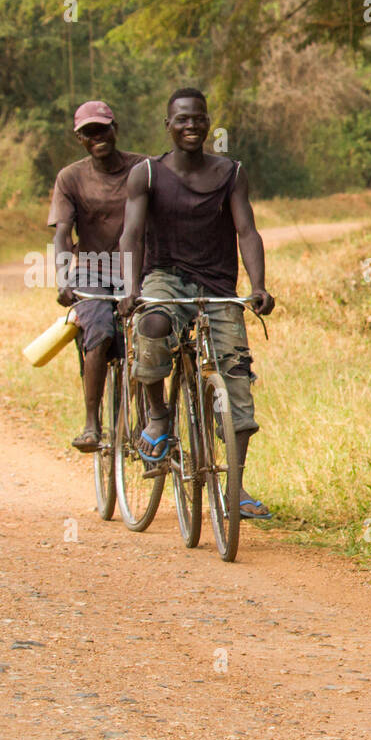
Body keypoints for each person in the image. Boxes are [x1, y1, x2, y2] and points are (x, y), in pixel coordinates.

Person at [118, 87, 276, 520]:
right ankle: (157, 418)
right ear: (167, 125)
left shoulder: (231, 173)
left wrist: (257, 286)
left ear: (208, 124)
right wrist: (132, 288)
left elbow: (247, 231)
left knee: (237, 377)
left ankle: (236, 491)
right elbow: (131, 235)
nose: (191, 126)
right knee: (150, 327)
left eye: (199, 119)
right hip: (165, 279)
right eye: (182, 119)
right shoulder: (146, 174)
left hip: (218, 288)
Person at [48, 100, 145, 451]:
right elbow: (62, 233)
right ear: (80, 139)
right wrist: (63, 278)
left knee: (154, 336)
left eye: (101, 129)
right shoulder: (70, 178)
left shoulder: (143, 168)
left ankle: (154, 425)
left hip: (140, 267)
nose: (97, 137)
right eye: (88, 133)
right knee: (101, 331)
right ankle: (92, 423)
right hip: (91, 269)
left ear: (115, 128)